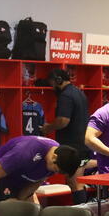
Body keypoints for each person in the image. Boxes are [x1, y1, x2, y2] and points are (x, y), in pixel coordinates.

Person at [0, 136, 80, 216]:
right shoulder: (25, 152)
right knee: (9, 213)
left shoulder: (59, 159)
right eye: (57, 170)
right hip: (1, 177)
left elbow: (37, 181)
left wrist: (21, 201)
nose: (56, 173)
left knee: (32, 215)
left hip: (22, 176)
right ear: (54, 157)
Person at [42, 68, 92, 203]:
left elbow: (63, 121)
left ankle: (81, 212)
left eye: (52, 84)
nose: (52, 87)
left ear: (58, 80)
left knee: (74, 183)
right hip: (81, 144)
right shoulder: (79, 92)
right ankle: (82, 210)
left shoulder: (65, 96)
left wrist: (48, 127)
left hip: (73, 147)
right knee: (77, 182)